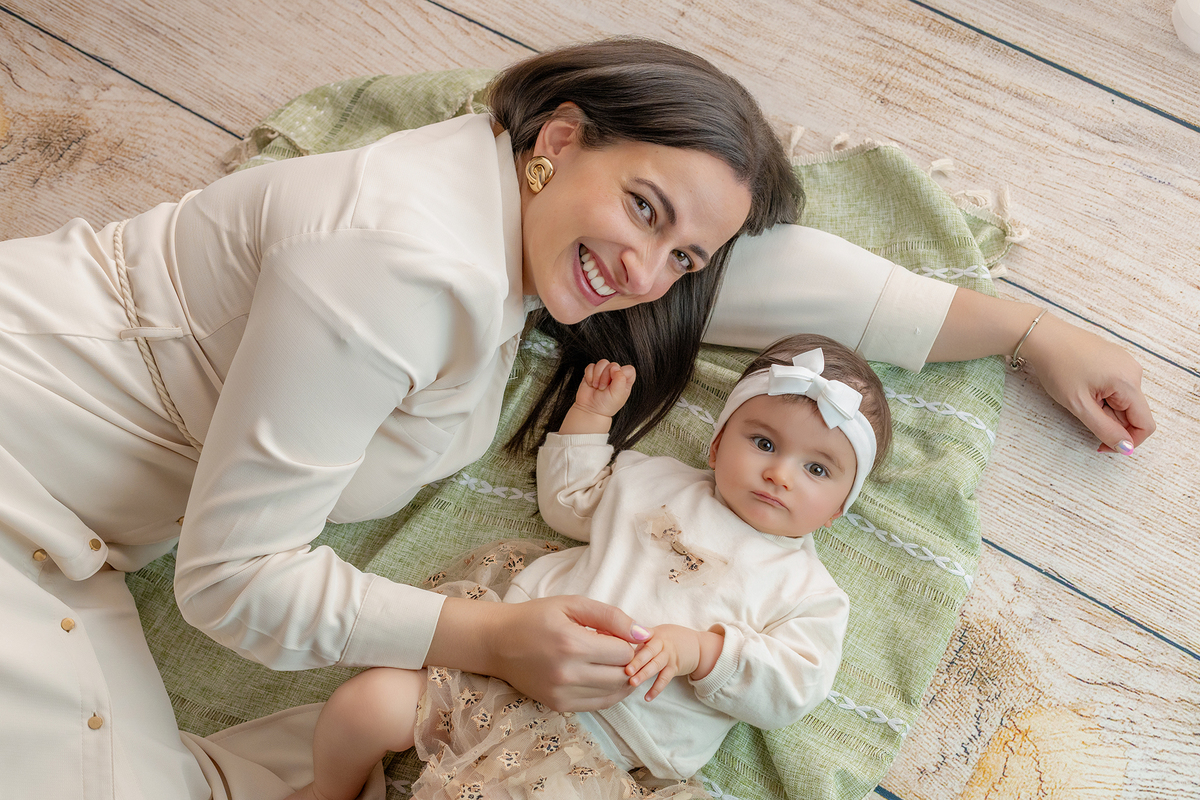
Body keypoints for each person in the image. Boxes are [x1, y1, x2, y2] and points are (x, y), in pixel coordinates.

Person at [0, 37, 1153, 800]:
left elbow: (742, 276)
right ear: (555, 141)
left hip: (79, 541)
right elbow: (231, 584)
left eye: (683, 250)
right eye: (643, 207)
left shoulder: (525, 220)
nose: (651, 270)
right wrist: (492, 639)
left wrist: (1024, 333)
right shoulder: (392, 261)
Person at [284, 333, 890, 800]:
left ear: (840, 508)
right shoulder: (653, 481)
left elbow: (794, 685)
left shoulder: (809, 591)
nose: (779, 473)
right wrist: (591, 418)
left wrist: (704, 651)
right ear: (716, 443)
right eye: (763, 442)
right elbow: (569, 500)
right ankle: (328, 791)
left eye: (817, 469)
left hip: (598, 747)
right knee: (360, 707)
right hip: (499, 668)